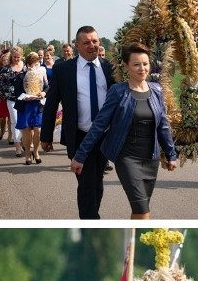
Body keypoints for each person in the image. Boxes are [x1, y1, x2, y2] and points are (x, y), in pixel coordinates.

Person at [69, 42, 177, 219]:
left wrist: (171, 154)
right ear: (126, 66)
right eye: (136, 64)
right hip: (127, 158)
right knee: (143, 209)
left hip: (151, 159)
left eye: (145, 63)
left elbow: (163, 125)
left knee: (140, 210)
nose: (142, 68)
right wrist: (80, 155)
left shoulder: (157, 90)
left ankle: (131, 242)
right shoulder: (118, 92)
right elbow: (99, 125)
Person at [41, 26, 117, 219]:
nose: (92, 46)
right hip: (80, 135)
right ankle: (90, 220)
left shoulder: (110, 68)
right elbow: (51, 103)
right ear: (77, 45)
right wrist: (46, 136)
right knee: (86, 183)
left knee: (97, 181)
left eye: (95, 41)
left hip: (105, 136)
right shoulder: (64, 69)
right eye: (87, 42)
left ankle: (92, 216)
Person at [16, 51, 49, 165]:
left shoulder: (42, 72)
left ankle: (36, 151)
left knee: (37, 130)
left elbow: (47, 86)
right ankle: (27, 155)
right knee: (26, 130)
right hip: (25, 105)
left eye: (36, 63)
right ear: (27, 64)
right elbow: (17, 90)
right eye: (31, 64)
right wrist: (24, 96)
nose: (33, 66)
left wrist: (44, 93)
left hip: (38, 104)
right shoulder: (21, 74)